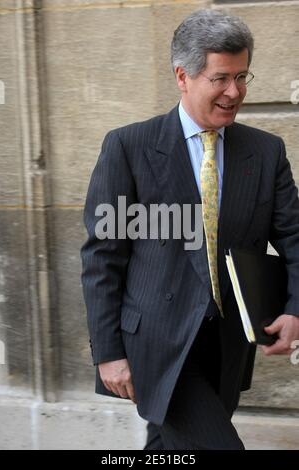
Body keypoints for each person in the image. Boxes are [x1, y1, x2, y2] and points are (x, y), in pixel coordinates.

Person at [81, 9, 299, 450]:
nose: (234, 92)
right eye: (220, 78)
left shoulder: (266, 151)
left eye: (242, 76)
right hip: (155, 346)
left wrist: (296, 308)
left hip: (227, 347)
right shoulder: (128, 147)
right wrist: (108, 352)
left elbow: (295, 238)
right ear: (183, 76)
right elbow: (103, 257)